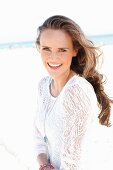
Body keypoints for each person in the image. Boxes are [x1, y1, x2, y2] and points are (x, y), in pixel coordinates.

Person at [34, 15, 113, 170]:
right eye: (46, 49)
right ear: (39, 48)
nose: (53, 57)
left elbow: (72, 164)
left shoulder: (77, 92)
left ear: (75, 50)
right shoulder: (43, 86)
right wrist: (45, 165)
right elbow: (39, 140)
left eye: (62, 50)